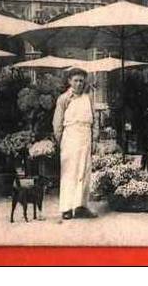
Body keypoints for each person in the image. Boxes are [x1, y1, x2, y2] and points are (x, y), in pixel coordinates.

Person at [53, 66, 96, 220]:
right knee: (69, 172)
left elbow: (94, 120)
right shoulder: (64, 99)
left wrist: (94, 138)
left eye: (81, 81)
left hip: (85, 135)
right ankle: (66, 208)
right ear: (69, 81)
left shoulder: (88, 97)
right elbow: (57, 123)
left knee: (84, 172)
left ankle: (81, 206)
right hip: (70, 136)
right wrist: (61, 141)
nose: (79, 84)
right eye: (76, 81)